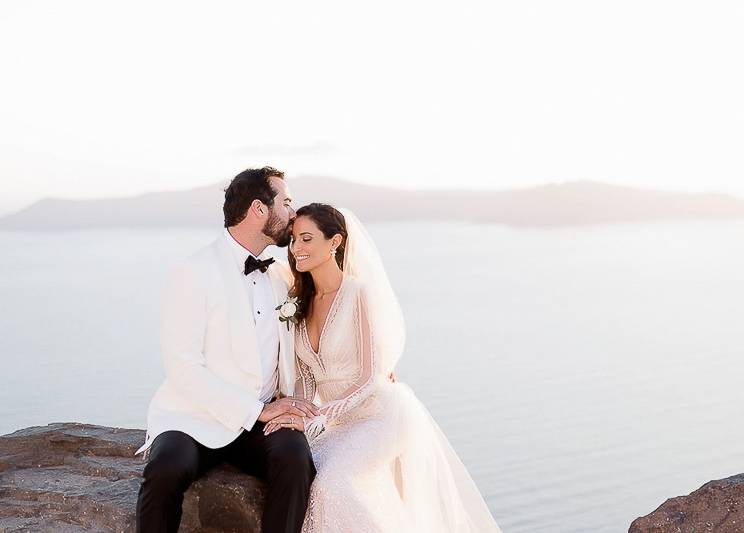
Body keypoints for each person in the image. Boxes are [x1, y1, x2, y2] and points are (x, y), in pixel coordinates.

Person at [264, 203, 501, 532]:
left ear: (335, 242)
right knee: (306, 475)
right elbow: (306, 378)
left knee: (332, 485)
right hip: (336, 422)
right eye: (293, 240)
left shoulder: (358, 294)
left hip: (378, 416)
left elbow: (369, 377)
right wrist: (297, 411)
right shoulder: (298, 301)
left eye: (306, 239)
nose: (296, 249)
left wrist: (319, 417)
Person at [135, 166, 318, 533]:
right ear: (258, 210)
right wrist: (258, 411)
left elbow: (312, 339)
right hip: (194, 418)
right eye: (286, 203)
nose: (293, 214)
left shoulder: (281, 276)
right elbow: (184, 370)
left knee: (296, 459)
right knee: (166, 468)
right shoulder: (193, 272)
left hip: (259, 423)